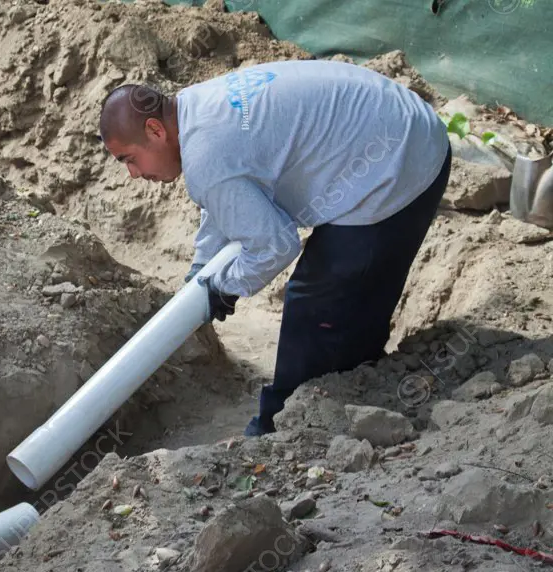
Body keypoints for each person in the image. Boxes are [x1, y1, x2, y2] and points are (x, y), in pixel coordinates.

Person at [98, 59, 452, 437]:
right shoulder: (194, 108)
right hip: (404, 128)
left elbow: (276, 245)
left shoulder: (206, 156)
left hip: (398, 161)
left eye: (129, 159)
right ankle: (356, 383)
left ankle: (279, 429)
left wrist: (224, 287)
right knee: (353, 298)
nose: (133, 174)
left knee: (316, 303)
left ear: (154, 130)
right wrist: (200, 275)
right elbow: (226, 203)